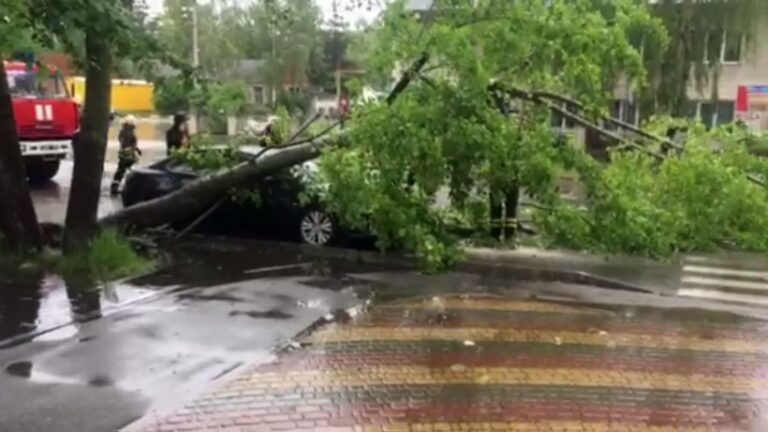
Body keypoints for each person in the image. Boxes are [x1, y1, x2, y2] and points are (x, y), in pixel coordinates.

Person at [110, 115, 141, 196]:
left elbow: (122, 142)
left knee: (121, 170)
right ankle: (129, 188)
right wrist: (136, 150)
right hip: (128, 154)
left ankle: (115, 187)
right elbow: (132, 144)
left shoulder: (122, 132)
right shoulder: (130, 133)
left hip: (123, 153)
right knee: (128, 170)